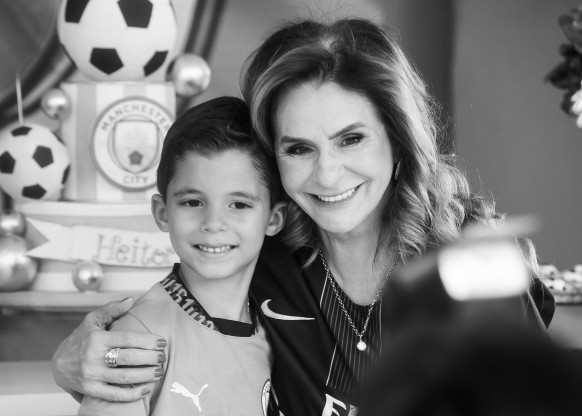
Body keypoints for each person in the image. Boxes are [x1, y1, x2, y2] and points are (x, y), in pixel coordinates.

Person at [53, 17, 554, 415]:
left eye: (351, 139)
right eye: (299, 148)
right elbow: (166, 331)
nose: (328, 175)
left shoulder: (477, 269)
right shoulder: (258, 259)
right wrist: (73, 363)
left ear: (399, 140)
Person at [76, 96, 285, 415]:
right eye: (192, 202)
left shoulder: (278, 326)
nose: (213, 223)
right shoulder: (138, 340)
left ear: (273, 219)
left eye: (239, 204)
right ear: (163, 213)